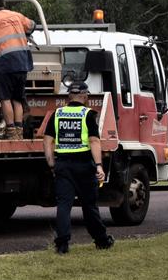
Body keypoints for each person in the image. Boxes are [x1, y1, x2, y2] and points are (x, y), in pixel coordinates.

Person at [42, 81, 115, 254]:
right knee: (89, 206)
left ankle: (62, 245)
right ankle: (101, 240)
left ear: (69, 96)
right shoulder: (88, 114)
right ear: (84, 96)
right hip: (84, 166)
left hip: (63, 165)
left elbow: (47, 140)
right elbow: (94, 141)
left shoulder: (57, 113)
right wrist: (99, 166)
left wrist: (51, 162)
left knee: (64, 205)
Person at [0, 0, 36, 140]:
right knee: (17, 99)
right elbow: (32, 25)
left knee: (5, 98)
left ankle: (11, 131)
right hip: (23, 62)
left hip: (5, 64)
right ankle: (19, 131)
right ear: (4, 4)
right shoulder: (17, 15)